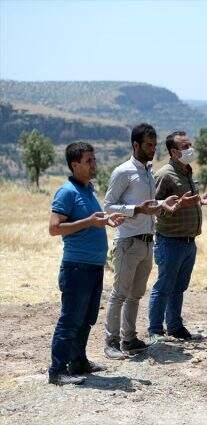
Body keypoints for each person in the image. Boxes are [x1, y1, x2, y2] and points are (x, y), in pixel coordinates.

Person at [48, 142, 126, 385]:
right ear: (75, 165)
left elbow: (91, 220)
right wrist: (90, 222)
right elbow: (54, 228)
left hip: (93, 267)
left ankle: (78, 362)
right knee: (70, 319)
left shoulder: (88, 190)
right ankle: (57, 371)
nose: (94, 164)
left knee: (86, 318)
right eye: (89, 161)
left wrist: (106, 219)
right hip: (76, 267)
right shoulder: (66, 192)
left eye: (94, 159)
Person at [103, 123, 179, 359]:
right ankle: (111, 342)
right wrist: (136, 209)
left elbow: (149, 208)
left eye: (154, 145)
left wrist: (162, 206)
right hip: (127, 242)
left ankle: (129, 338)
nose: (152, 149)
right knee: (119, 294)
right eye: (148, 145)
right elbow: (108, 206)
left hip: (147, 242)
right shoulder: (123, 171)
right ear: (135, 145)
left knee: (136, 295)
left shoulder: (148, 172)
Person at [147, 131, 207, 342]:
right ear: (173, 151)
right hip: (169, 241)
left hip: (188, 241)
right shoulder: (165, 174)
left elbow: (185, 201)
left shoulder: (186, 171)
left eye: (190, 145)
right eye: (185, 147)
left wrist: (199, 202)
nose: (189, 150)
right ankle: (155, 331)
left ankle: (175, 327)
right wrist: (177, 205)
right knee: (164, 286)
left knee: (179, 287)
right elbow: (153, 207)